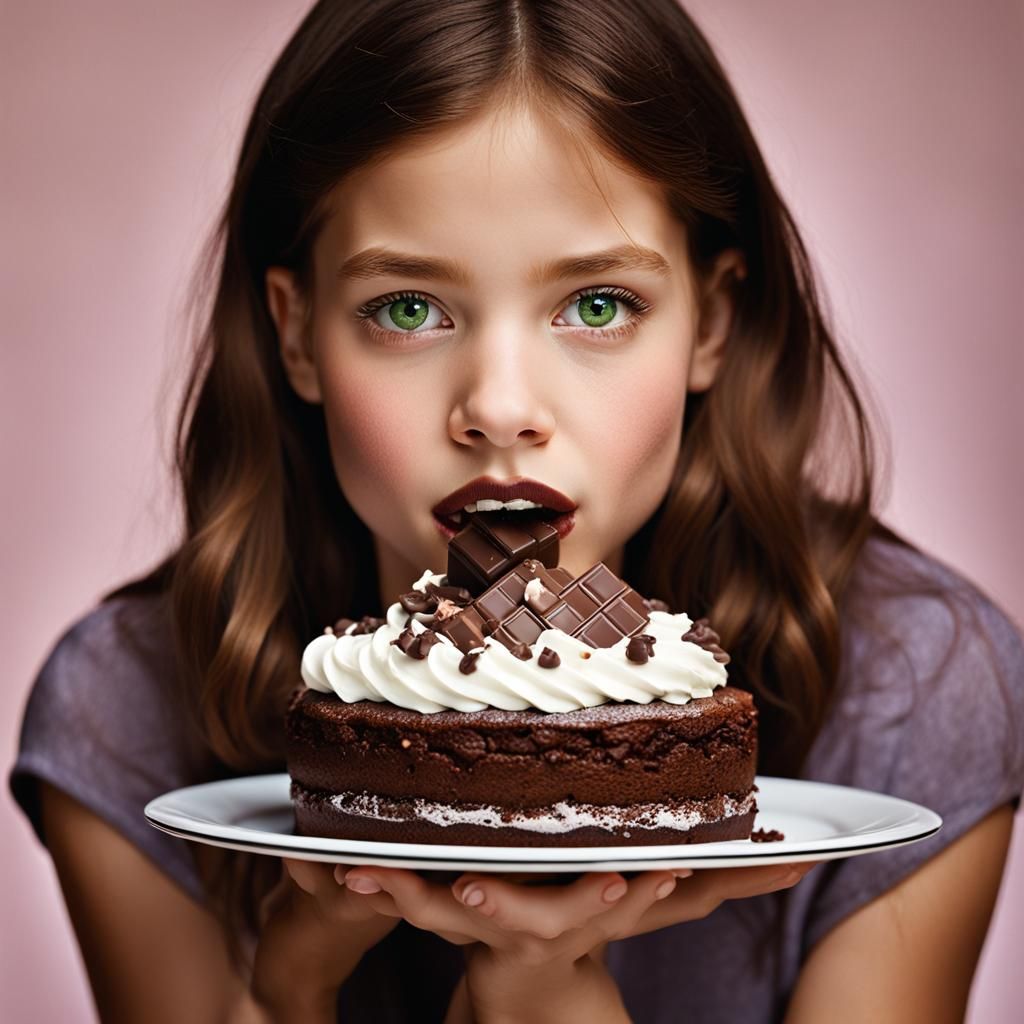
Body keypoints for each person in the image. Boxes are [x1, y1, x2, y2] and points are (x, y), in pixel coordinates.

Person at [8, 0, 1022, 1021]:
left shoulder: (918, 698)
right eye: (408, 308)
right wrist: (289, 984)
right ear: (299, 335)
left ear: (710, 323)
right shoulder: (124, 713)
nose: (499, 408)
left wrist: (543, 992)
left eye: (596, 305)